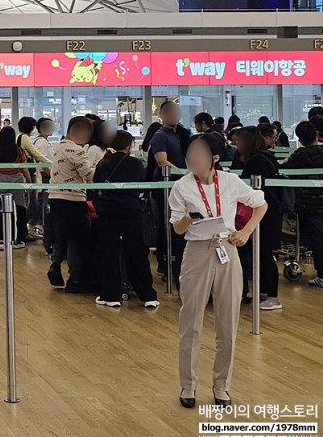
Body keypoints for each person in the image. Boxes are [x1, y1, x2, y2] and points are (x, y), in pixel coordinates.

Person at [169, 133, 266, 409]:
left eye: (199, 153)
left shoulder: (231, 181)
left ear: (214, 157)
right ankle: (188, 385)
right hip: (197, 252)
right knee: (191, 320)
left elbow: (261, 203)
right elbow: (176, 228)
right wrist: (188, 219)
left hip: (227, 249)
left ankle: (222, 386)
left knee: (228, 321)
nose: (192, 158)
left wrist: (246, 231)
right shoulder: (181, 187)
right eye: (190, 153)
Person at [93, 131, 158, 308]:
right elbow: (143, 182)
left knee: (110, 252)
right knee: (136, 251)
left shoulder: (103, 163)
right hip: (132, 211)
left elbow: (94, 187)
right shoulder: (135, 163)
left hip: (108, 212)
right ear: (129, 146)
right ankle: (147, 295)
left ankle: (111, 295)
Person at [236, 124, 285, 310]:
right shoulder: (265, 157)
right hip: (268, 212)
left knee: (263, 253)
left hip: (263, 213)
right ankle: (265, 292)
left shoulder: (256, 160)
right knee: (261, 253)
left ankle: (272, 295)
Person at [48, 116, 96, 292]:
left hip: (56, 197)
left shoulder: (59, 146)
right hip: (73, 199)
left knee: (62, 237)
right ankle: (76, 280)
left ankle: (55, 264)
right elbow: (90, 175)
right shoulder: (76, 150)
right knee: (77, 240)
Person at [150, 101, 191, 285]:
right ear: (163, 115)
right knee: (167, 224)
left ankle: (178, 264)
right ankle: (165, 263)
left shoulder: (181, 134)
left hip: (181, 186)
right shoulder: (159, 136)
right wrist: (185, 173)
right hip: (167, 186)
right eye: (171, 113)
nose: (175, 116)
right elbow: (162, 161)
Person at [281, 120, 323, 288]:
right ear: (317, 135)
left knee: (317, 239)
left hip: (308, 205)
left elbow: (285, 172)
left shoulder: (299, 155)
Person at [0, 126, 29, 250]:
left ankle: (3, 239)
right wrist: (29, 183)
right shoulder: (19, 151)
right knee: (20, 210)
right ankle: (19, 239)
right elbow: (24, 169)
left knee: (3, 211)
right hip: (17, 180)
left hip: (1, 180)